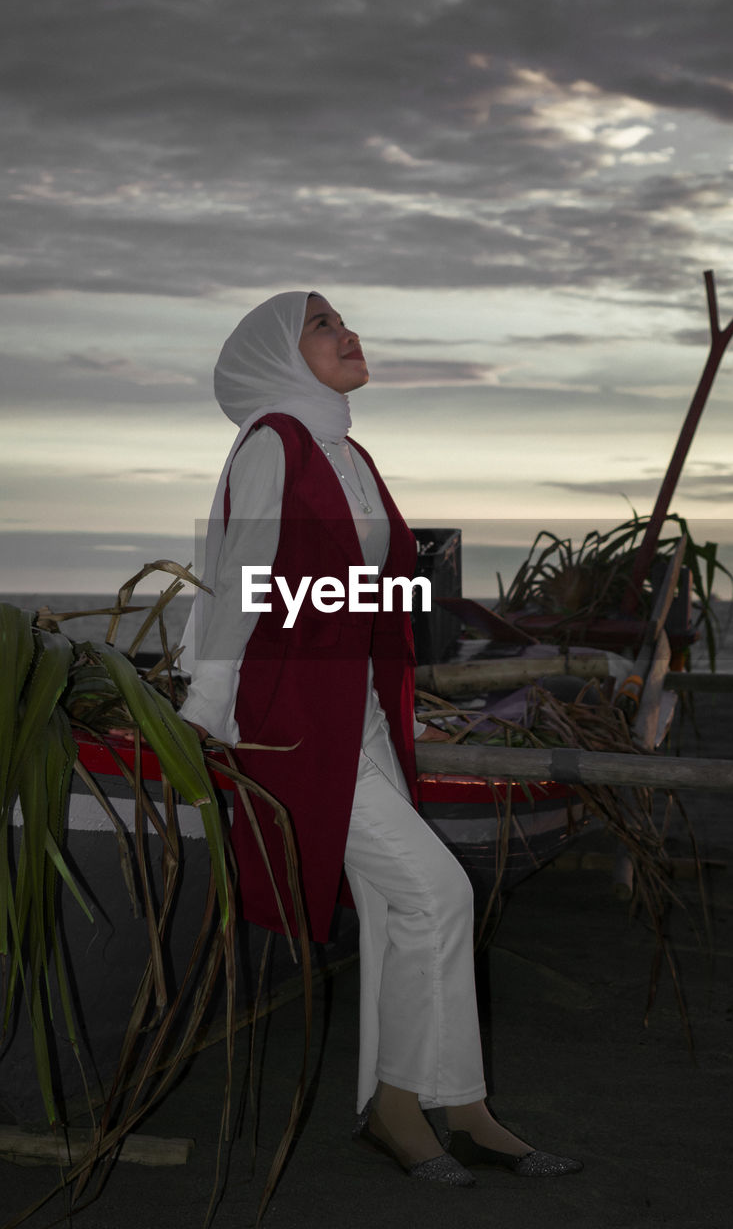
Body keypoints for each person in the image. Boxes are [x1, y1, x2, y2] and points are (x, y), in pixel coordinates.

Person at [181, 290, 581, 1184]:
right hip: (290, 720)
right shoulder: (273, 442)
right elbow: (237, 582)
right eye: (320, 324)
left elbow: (356, 590)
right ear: (277, 354)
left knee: (405, 912)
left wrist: (416, 616)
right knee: (438, 891)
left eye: (341, 319)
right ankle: (414, 1107)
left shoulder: (347, 451)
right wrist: (204, 715)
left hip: (356, 710)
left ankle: (442, 1108)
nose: (346, 332)